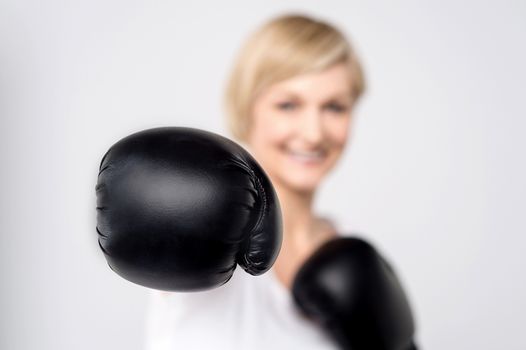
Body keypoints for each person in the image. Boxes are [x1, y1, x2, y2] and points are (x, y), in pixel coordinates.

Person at [144, 13, 367, 349]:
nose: (313, 133)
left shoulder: (353, 254)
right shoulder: (207, 230)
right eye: (288, 105)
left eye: (334, 107)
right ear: (247, 109)